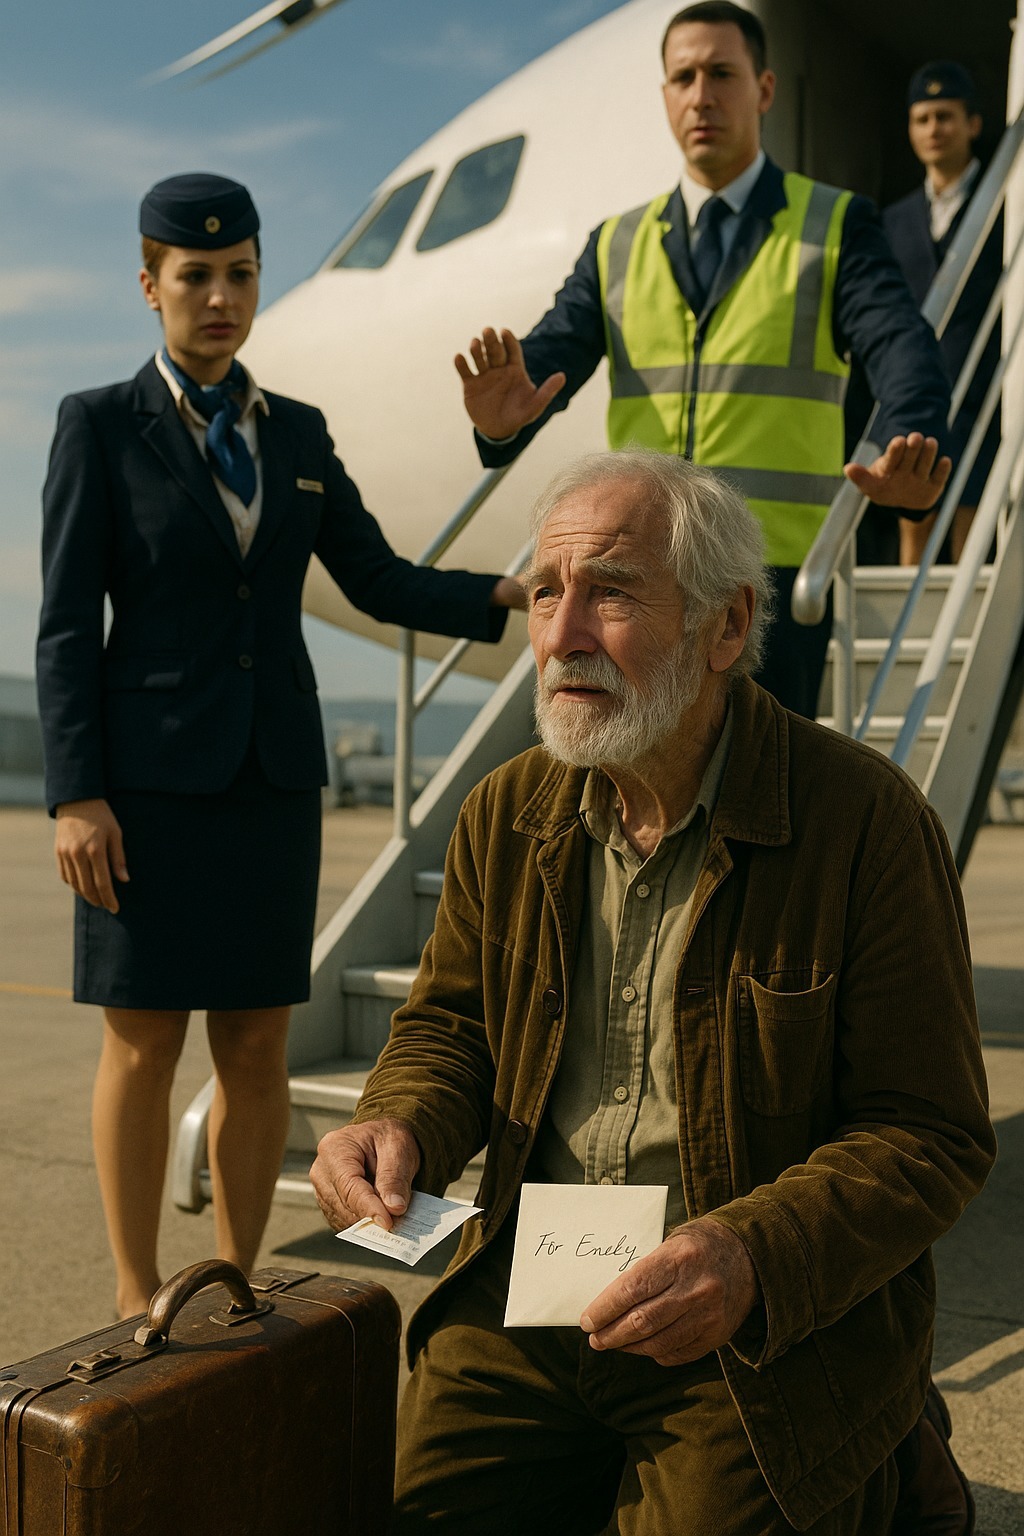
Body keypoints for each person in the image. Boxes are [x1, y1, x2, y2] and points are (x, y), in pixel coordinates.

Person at [312, 450, 993, 1535]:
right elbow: (451, 1028)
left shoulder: (862, 824)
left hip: (749, 1319)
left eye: (612, 593)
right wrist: (395, 1122)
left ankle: (891, 1431)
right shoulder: (507, 814)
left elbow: (929, 1133)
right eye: (544, 592)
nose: (560, 635)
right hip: (531, 1287)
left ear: (726, 629)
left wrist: (749, 1253)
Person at [35, 172, 524, 1320]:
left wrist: (506, 591)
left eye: (240, 274)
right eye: (194, 276)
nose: (219, 296)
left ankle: (239, 1283)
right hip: (143, 792)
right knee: (144, 1045)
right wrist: (75, 795)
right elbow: (64, 625)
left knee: (257, 1045)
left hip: (268, 782)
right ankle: (133, 1286)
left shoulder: (297, 434)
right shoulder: (98, 425)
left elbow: (377, 576)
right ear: (149, 284)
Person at [454, 0, 953, 720]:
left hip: (767, 575)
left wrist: (910, 441)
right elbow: (551, 352)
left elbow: (902, 346)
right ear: (664, 96)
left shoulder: (835, 224)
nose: (702, 95)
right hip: (639, 568)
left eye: (722, 72)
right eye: (683, 76)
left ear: (765, 89)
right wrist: (505, 416)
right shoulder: (614, 244)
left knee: (768, 802)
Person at [885, 63, 1002, 566]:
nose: (934, 129)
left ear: (973, 124)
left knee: (971, 539)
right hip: (916, 395)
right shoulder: (893, 218)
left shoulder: (1008, 202)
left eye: (946, 116)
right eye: (923, 118)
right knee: (915, 525)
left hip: (985, 398)